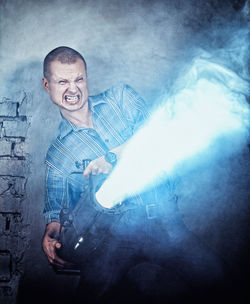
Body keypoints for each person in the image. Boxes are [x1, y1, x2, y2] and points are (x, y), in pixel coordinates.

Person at [41, 46, 226, 303]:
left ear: (86, 77)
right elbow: (56, 213)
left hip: (162, 221)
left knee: (217, 280)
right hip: (109, 242)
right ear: (47, 85)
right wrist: (51, 236)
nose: (73, 89)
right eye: (63, 81)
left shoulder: (121, 97)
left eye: (78, 79)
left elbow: (160, 135)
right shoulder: (57, 155)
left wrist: (113, 157)